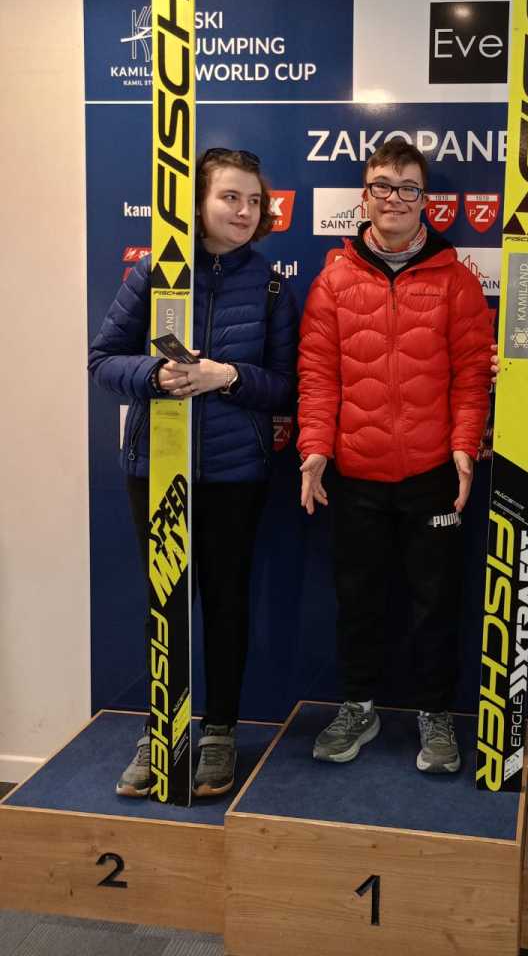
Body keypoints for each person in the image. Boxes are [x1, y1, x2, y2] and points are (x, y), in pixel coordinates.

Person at [88, 147, 298, 797]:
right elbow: (102, 361)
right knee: (166, 603)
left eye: (254, 201)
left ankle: (219, 732)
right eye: (230, 197)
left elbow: (286, 385)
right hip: (156, 468)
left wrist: (225, 376)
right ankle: (163, 728)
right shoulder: (154, 271)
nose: (244, 211)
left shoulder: (270, 285)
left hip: (235, 475)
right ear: (198, 203)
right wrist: (155, 375)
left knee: (227, 604)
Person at [297, 138, 493, 774]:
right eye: (383, 185)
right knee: (358, 601)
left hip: (432, 475)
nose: (395, 198)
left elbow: (472, 374)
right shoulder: (333, 280)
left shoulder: (457, 281)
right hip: (355, 475)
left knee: (435, 604)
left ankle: (436, 715)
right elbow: (318, 375)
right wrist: (315, 449)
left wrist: (464, 446)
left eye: (408, 187)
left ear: (424, 199)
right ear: (365, 196)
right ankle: (359, 706)